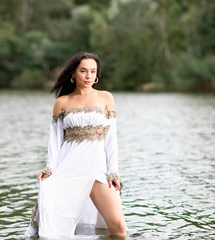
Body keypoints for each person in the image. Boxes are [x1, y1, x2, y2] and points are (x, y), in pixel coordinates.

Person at [25, 52, 127, 239]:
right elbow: (55, 141)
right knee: (65, 230)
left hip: (98, 170)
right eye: (83, 71)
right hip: (68, 170)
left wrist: (113, 171)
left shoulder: (106, 98)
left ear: (97, 75)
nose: (88, 76)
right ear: (73, 73)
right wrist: (50, 168)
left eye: (93, 71)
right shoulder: (61, 102)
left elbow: (111, 139)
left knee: (119, 228)